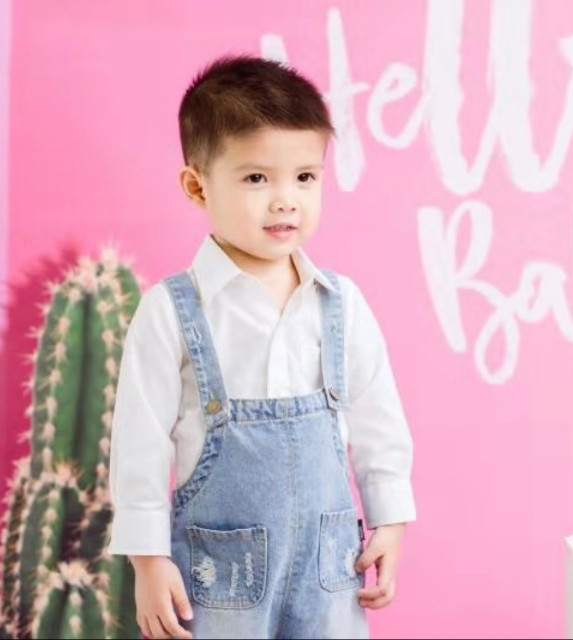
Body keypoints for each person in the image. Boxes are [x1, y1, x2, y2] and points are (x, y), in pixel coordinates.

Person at [107, 54, 416, 640]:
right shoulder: (173, 310)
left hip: (329, 568)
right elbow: (139, 444)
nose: (285, 200)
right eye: (257, 178)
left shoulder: (340, 303)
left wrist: (390, 517)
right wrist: (148, 560)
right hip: (220, 574)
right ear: (197, 186)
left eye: (305, 177)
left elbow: (379, 419)